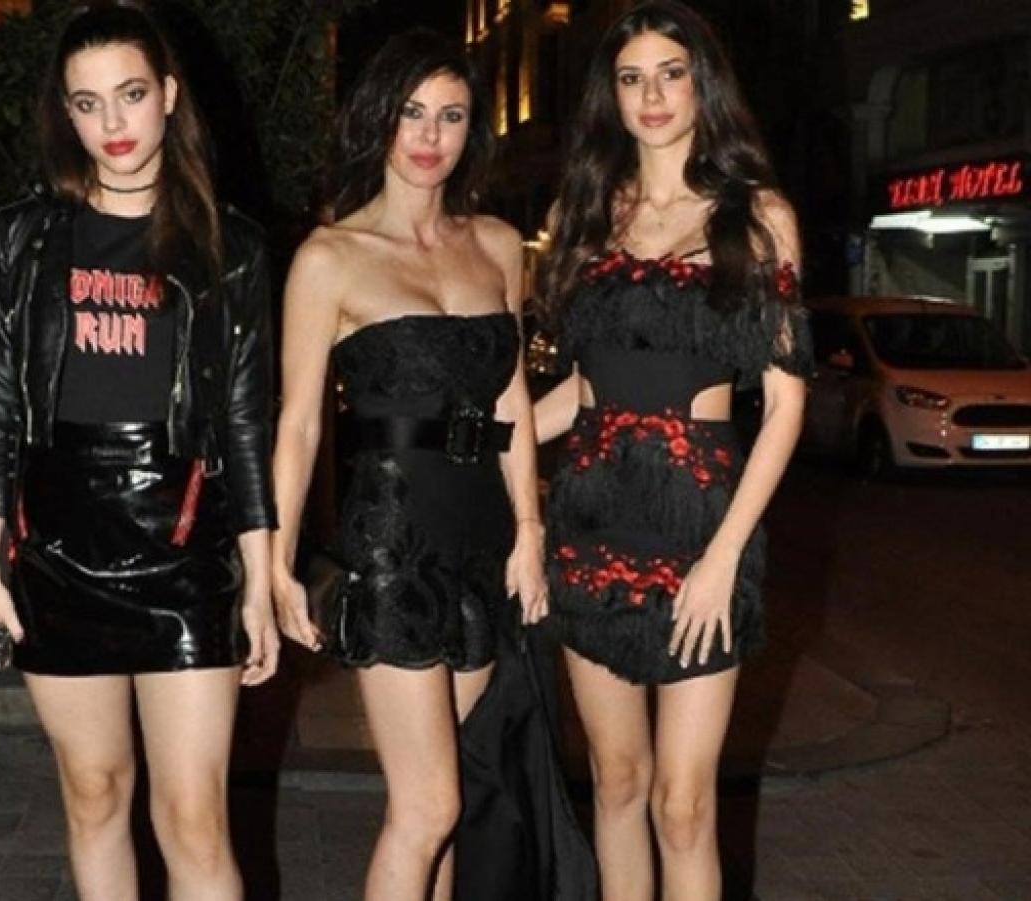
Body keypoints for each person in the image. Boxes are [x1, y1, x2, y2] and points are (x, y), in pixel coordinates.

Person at [0, 3, 277, 899]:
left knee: (194, 820)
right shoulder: (24, 238)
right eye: (88, 103)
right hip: (56, 546)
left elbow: (245, 419)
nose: (113, 123)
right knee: (93, 794)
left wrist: (261, 577)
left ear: (168, 95)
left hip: (186, 549)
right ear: (65, 113)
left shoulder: (232, 245)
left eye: (131, 95)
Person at [534, 2, 813, 898]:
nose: (651, 96)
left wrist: (725, 556)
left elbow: (785, 404)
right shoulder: (585, 213)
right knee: (616, 781)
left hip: (701, 526)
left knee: (683, 806)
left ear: (703, 85)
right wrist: (476, 443)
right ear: (610, 96)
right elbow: (582, 392)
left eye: (670, 73)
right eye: (631, 78)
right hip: (588, 522)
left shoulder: (756, 216)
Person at [270, 30, 548, 901]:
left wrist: (530, 527)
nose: (430, 135)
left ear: (473, 130)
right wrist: (276, 562)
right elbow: (299, 426)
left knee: (450, 797)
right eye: (411, 113)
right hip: (390, 540)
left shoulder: (498, 244)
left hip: (482, 534)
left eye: (451, 116)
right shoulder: (329, 256)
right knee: (427, 805)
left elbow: (512, 401)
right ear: (378, 122)